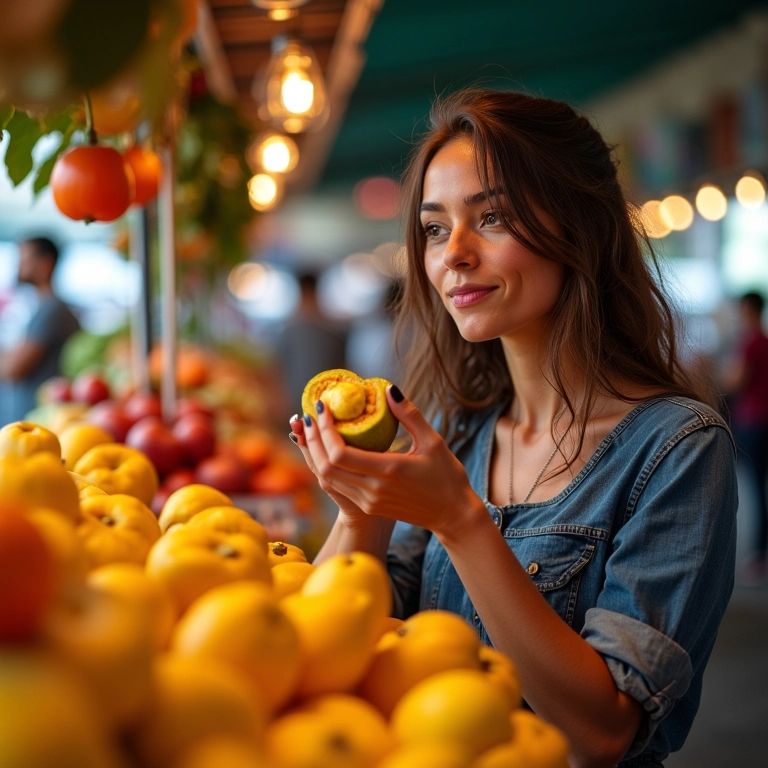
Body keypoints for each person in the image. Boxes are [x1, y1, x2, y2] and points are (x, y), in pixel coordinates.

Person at [288, 89, 737, 767]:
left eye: (491, 217)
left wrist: (464, 522)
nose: (453, 255)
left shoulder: (677, 448)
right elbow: (325, 652)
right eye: (435, 228)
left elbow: (604, 732)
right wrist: (360, 507)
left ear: (578, 226)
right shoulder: (453, 428)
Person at [0, 237, 80, 422]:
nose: (18, 265)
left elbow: (14, 368)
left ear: (45, 263)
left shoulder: (53, 311)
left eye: (24, 258)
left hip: (36, 422)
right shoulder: (43, 308)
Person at [724, 291, 768, 584]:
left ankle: (759, 554)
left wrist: (714, 375)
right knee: (759, 487)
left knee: (752, 490)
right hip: (764, 420)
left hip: (753, 422)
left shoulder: (750, 342)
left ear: (746, 308)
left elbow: (736, 381)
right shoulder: (764, 341)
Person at [275, 271, 349, 415]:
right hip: (327, 398)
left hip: (312, 398)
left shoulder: (289, 330)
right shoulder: (333, 329)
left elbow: (279, 367)